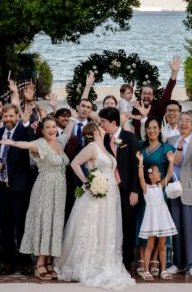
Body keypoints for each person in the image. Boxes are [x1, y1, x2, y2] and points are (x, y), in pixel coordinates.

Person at [55, 122, 136, 290]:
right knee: (95, 226)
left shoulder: (105, 147)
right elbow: (74, 163)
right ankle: (89, 263)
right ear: (95, 132)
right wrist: (88, 182)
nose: (103, 127)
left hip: (111, 193)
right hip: (97, 194)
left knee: (107, 228)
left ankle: (106, 260)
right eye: (100, 126)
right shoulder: (92, 147)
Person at [1, 115, 68, 280]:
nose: (52, 130)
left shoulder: (60, 142)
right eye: (48, 127)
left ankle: (49, 261)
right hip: (44, 187)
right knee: (44, 223)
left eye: (54, 126)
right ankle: (40, 263)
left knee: (54, 222)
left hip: (59, 190)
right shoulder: (40, 143)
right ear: (42, 131)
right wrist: (14, 143)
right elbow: (27, 145)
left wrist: (62, 112)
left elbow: (68, 130)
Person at [0, 102, 35, 275]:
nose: (8, 119)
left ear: (17, 116)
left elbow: (33, 146)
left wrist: (27, 123)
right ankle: (8, 262)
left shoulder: (24, 132)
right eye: (5, 116)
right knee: (5, 227)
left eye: (11, 115)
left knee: (22, 226)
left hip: (19, 189)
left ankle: (25, 261)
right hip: (2, 188)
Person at [98, 106, 142, 270]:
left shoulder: (129, 138)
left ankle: (127, 260)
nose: (101, 124)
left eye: (103, 122)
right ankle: (111, 257)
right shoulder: (102, 139)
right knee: (110, 223)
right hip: (109, 188)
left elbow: (136, 164)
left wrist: (135, 190)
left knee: (128, 224)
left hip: (127, 189)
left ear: (113, 122)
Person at [136, 117, 175, 274]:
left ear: (160, 130)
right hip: (144, 191)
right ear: (145, 130)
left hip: (159, 193)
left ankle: (155, 260)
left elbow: (169, 174)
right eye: (148, 128)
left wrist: (171, 163)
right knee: (144, 224)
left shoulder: (166, 148)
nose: (152, 131)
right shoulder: (140, 147)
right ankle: (142, 259)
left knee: (159, 226)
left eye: (155, 127)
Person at [169, 111, 192, 277]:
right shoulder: (171, 141)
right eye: (181, 120)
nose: (183, 123)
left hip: (190, 187)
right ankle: (178, 263)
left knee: (190, 228)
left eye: (187, 121)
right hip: (174, 189)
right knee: (176, 228)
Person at [136, 153, 178, 280]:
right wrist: (141, 162)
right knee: (150, 245)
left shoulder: (160, 185)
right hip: (151, 219)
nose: (160, 173)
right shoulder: (146, 188)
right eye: (157, 171)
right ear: (150, 175)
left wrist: (171, 161)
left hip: (162, 218)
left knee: (162, 245)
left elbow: (170, 175)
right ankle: (147, 270)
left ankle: (163, 270)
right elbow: (140, 176)